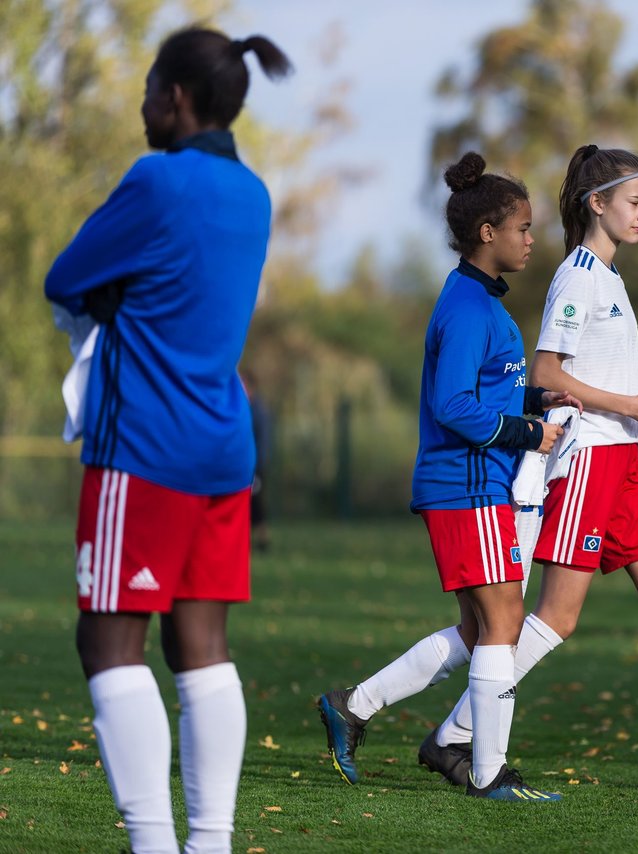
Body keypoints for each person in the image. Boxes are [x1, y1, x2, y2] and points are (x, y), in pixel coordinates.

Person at [417, 144, 638, 790]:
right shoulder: (578, 274)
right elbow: (546, 374)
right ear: (599, 204)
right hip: (589, 458)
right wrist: (632, 406)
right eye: (636, 202)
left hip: (625, 460)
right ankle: (453, 736)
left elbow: (605, 379)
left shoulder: (613, 280)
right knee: (557, 618)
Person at [43, 27, 290, 854]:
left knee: (109, 641)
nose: (143, 104)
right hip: (224, 452)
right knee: (203, 650)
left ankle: (153, 845)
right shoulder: (252, 193)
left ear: (175, 99)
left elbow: (66, 277)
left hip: (143, 450)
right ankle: (209, 844)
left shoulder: (157, 179)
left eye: (150, 89)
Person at [317, 152, 575, 802]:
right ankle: (488, 773)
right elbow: (454, 406)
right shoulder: (466, 307)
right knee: (505, 621)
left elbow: (487, 393)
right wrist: (528, 433)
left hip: (471, 483)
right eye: (522, 226)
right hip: (467, 486)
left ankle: (354, 705)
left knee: (478, 629)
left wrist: (537, 406)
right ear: (487, 232)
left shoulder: (481, 302)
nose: (530, 238)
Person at [240, 370, 271, 552]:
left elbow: (263, 441)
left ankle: (262, 539)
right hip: (246, 466)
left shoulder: (259, 410)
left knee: (256, 503)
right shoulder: (245, 407)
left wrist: (257, 467)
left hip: (255, 467)